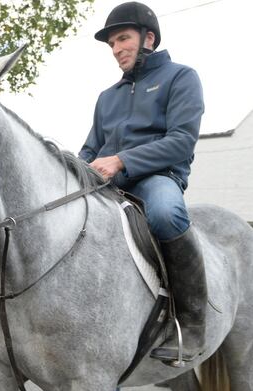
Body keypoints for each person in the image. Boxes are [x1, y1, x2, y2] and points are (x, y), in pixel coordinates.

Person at [78, 1, 206, 364]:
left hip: (156, 178)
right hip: (108, 183)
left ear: (148, 37)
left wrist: (122, 160)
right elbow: (90, 149)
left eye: (123, 39)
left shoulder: (181, 77)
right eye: (112, 44)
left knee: (166, 213)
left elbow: (182, 140)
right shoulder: (108, 97)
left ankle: (192, 322)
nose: (117, 49)